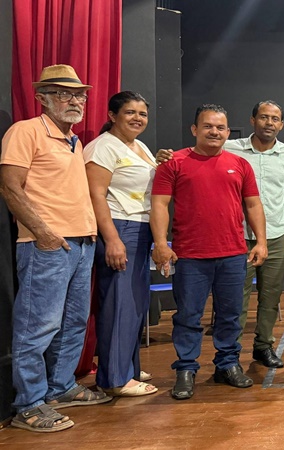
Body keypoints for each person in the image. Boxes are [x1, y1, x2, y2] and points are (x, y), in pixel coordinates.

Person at [1, 64, 109, 433]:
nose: (75, 100)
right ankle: (28, 404)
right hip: (46, 245)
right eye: (64, 93)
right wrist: (43, 233)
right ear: (42, 98)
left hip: (82, 244)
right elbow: (10, 186)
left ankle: (60, 387)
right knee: (38, 325)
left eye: (79, 95)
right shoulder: (26, 131)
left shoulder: (73, 140)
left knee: (74, 322)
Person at [151, 104, 268, 400]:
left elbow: (253, 204)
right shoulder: (174, 163)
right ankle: (186, 369)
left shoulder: (240, 164)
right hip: (190, 255)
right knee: (188, 316)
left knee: (230, 315)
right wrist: (161, 243)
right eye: (208, 126)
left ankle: (227, 364)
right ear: (195, 129)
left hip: (233, 254)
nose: (214, 132)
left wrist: (261, 242)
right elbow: (159, 205)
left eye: (220, 127)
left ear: (227, 132)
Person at [83, 91, 157, 397]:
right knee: (119, 303)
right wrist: (112, 239)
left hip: (140, 229)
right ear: (112, 115)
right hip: (119, 228)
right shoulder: (102, 147)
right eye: (130, 112)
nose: (138, 118)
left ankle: (128, 368)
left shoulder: (139, 146)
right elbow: (96, 194)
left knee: (134, 305)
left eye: (142, 113)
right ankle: (114, 378)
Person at [225, 100, 284, 369]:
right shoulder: (230, 149)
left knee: (271, 297)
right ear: (253, 120)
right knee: (236, 298)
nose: (269, 123)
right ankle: (230, 355)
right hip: (238, 235)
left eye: (275, 119)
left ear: (281, 125)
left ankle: (264, 346)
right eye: (264, 117)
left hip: (276, 234)